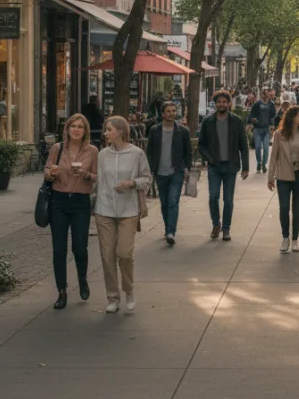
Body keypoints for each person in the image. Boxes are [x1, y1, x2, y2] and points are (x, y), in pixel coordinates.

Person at [94, 116, 152, 313]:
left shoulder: (136, 154)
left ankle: (129, 290)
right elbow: (98, 181)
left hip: (128, 210)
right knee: (107, 255)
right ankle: (113, 297)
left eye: (109, 129)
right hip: (104, 210)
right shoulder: (102, 154)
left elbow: (147, 178)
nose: (106, 133)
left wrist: (131, 183)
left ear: (120, 131)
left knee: (124, 254)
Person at [43, 113, 98, 309]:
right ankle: (62, 291)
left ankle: (82, 279)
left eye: (80, 127)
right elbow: (47, 170)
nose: (76, 129)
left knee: (80, 247)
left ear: (85, 131)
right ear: (67, 129)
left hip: (80, 202)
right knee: (59, 249)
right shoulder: (57, 149)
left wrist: (84, 174)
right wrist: (51, 174)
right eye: (72, 126)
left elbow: (95, 177)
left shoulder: (92, 151)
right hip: (58, 201)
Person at [198, 90, 251, 241]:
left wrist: (246, 167)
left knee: (228, 199)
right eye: (218, 102)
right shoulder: (208, 122)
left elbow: (243, 145)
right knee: (213, 196)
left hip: (230, 166)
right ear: (215, 104)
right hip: (214, 166)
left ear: (229, 103)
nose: (221, 104)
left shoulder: (236, 121)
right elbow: (201, 145)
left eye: (224, 102)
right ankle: (216, 224)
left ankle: (226, 228)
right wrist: (209, 158)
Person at [268, 106, 299, 253]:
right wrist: (270, 177)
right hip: (283, 175)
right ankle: (285, 238)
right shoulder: (278, 134)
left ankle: (295, 240)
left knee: (297, 209)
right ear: (291, 117)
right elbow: (273, 156)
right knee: (284, 208)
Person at [146, 101, 191, 246]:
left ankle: (171, 232)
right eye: (168, 111)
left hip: (176, 171)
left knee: (173, 202)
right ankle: (167, 229)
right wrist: (150, 169)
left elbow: (188, 152)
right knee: (164, 202)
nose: (171, 114)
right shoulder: (154, 130)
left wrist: (186, 168)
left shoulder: (183, 131)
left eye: (173, 111)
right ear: (163, 113)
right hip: (160, 172)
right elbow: (150, 151)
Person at [248, 89, 278, 173]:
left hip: (266, 129)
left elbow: (273, 115)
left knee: (266, 148)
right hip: (257, 129)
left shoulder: (271, 104)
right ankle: (259, 163)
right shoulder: (257, 104)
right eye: (264, 94)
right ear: (262, 95)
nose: (266, 95)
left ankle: (264, 164)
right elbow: (251, 114)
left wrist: (272, 125)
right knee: (257, 147)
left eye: (267, 94)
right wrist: (252, 120)